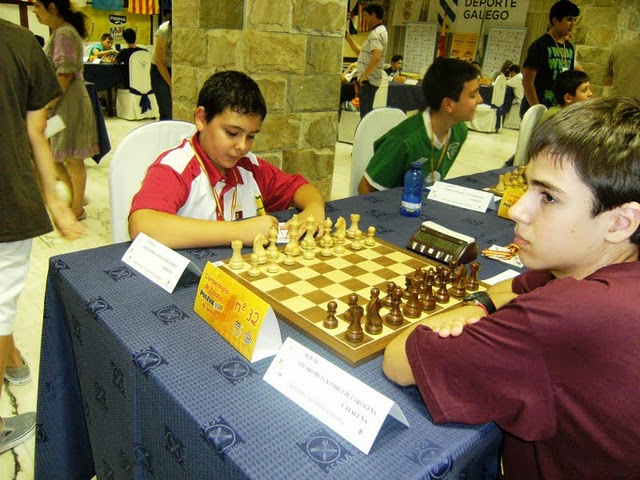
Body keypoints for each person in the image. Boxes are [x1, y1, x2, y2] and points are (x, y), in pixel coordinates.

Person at [383, 96, 640, 478]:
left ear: (621, 223)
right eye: (527, 186)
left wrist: (476, 309)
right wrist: (483, 303)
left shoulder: (572, 312)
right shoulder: (596, 272)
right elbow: (516, 287)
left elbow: (400, 359)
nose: (517, 209)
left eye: (549, 197)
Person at [0, 18, 83, 455]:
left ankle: (12, 356)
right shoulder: (18, 43)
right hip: (6, 198)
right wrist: (54, 200)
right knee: (0, 306)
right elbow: (36, 132)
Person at [129, 71, 326, 249]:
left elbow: (300, 187)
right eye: (232, 133)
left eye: (251, 136)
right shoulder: (175, 167)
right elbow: (142, 225)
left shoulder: (248, 165)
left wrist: (314, 208)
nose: (242, 146)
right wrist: (239, 232)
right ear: (201, 119)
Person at [358, 58, 482, 194]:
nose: (480, 99)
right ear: (448, 105)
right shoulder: (403, 142)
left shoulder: (459, 131)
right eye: (473, 95)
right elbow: (365, 189)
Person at [34, 0, 99, 220]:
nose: (34, 10)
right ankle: (76, 196)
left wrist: (48, 105)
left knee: (72, 156)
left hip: (67, 101)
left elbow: (65, 74)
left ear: (52, 7)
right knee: (54, 153)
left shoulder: (64, 33)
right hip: (63, 100)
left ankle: (77, 207)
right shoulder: (61, 32)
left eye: (37, 5)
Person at [521, 0, 579, 118]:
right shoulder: (540, 45)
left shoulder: (569, 47)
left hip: (557, 110)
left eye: (574, 20)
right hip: (537, 108)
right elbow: (527, 81)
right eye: (569, 19)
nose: (573, 24)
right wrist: (537, 110)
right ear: (555, 20)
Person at [344, 1, 387, 119]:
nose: (366, 19)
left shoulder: (376, 34)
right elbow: (362, 53)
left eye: (367, 16)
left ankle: (367, 131)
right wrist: (349, 39)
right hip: (369, 80)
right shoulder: (380, 31)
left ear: (373, 15)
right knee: (365, 113)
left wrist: (365, 76)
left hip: (368, 81)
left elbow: (376, 56)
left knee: (365, 115)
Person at [151, 18, 172, 120]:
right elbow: (159, 61)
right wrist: (171, 84)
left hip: (175, 69)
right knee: (166, 110)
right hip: (159, 70)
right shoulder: (164, 30)